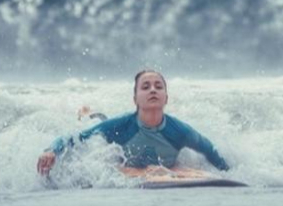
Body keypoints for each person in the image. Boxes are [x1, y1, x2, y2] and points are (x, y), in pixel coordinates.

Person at [37, 70, 229, 175]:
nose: (153, 90)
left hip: (158, 167)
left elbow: (209, 150)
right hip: (122, 160)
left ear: (166, 98)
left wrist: (228, 174)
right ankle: (89, 112)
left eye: (158, 86)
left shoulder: (180, 130)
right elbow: (75, 138)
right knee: (97, 122)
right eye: (146, 87)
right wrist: (52, 150)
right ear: (135, 99)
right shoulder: (120, 125)